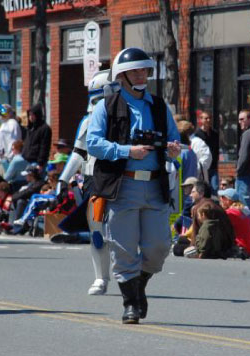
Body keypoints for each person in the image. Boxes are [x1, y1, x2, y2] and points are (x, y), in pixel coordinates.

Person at [87, 47, 181, 324]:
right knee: (123, 248)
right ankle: (130, 303)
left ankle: (138, 285)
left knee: (159, 247)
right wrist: (127, 151)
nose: (142, 75)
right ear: (122, 75)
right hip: (123, 187)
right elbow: (93, 143)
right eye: (136, 71)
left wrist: (173, 150)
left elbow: (174, 140)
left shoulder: (159, 106)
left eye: (145, 70)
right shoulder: (106, 105)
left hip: (155, 186)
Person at [56, 70, 116, 295]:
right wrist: (63, 178)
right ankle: (101, 277)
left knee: (125, 230)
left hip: (120, 178)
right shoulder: (89, 120)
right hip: (94, 180)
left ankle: (128, 273)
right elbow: (78, 152)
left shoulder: (128, 116)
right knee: (97, 232)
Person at [218, 188, 250, 258]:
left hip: (240, 250)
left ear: (228, 200)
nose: (220, 199)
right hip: (248, 249)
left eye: (222, 197)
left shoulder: (231, 213)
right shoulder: (242, 211)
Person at [21, 104, 52, 171]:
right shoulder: (30, 128)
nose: (31, 117)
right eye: (29, 115)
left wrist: (40, 163)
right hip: (26, 160)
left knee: (37, 180)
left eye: (33, 115)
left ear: (38, 115)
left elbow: (44, 147)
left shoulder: (44, 128)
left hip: (36, 162)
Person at [0, 103, 22, 173]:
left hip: (6, 162)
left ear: (9, 113)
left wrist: (8, 159)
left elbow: (12, 143)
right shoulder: (4, 124)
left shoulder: (12, 124)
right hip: (0, 160)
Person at [195, 111, 219, 193]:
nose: (208, 120)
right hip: (203, 167)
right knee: (203, 190)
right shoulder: (197, 134)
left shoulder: (215, 134)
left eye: (209, 118)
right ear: (201, 120)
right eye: (206, 118)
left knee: (214, 188)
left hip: (213, 167)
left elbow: (216, 150)